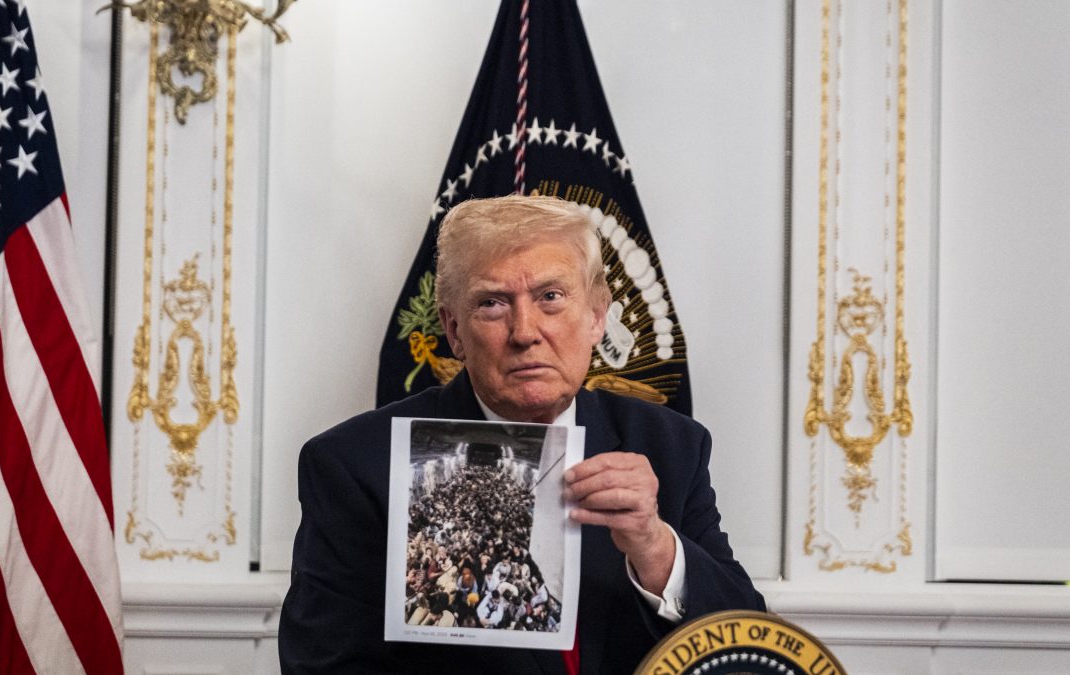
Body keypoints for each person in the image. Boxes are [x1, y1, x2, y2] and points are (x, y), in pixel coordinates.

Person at [279, 195, 765, 673]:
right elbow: (321, 664)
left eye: (551, 297)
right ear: (453, 330)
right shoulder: (355, 464)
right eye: (492, 304)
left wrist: (656, 547)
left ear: (597, 317)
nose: (525, 331)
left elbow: (751, 648)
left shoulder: (671, 446)